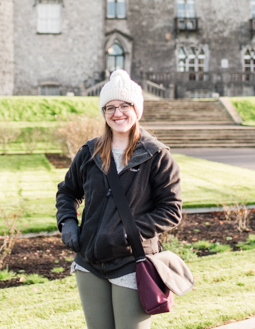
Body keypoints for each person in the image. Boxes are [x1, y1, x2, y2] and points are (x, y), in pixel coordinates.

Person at [55, 69, 182, 329]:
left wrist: (126, 233)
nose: (117, 113)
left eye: (125, 105)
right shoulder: (89, 152)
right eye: (109, 107)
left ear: (137, 109)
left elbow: (170, 211)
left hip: (131, 263)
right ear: (103, 113)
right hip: (89, 263)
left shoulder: (156, 156)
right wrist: (67, 222)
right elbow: (67, 191)